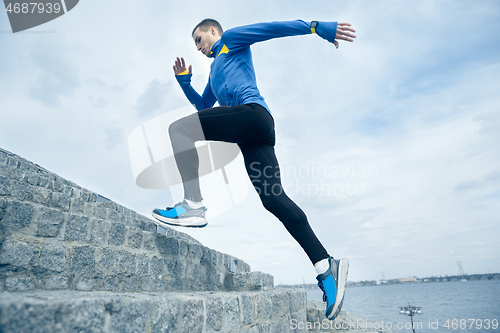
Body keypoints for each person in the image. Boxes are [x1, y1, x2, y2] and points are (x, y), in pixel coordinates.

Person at [151, 18, 356, 320]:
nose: (198, 46)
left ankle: (193, 205)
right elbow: (203, 107)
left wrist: (316, 27)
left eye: (199, 39)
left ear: (213, 32)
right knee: (274, 199)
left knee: (179, 130)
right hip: (253, 134)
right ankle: (326, 267)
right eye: (194, 43)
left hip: (253, 115)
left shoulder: (231, 40)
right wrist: (184, 83)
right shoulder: (214, 72)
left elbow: (274, 29)